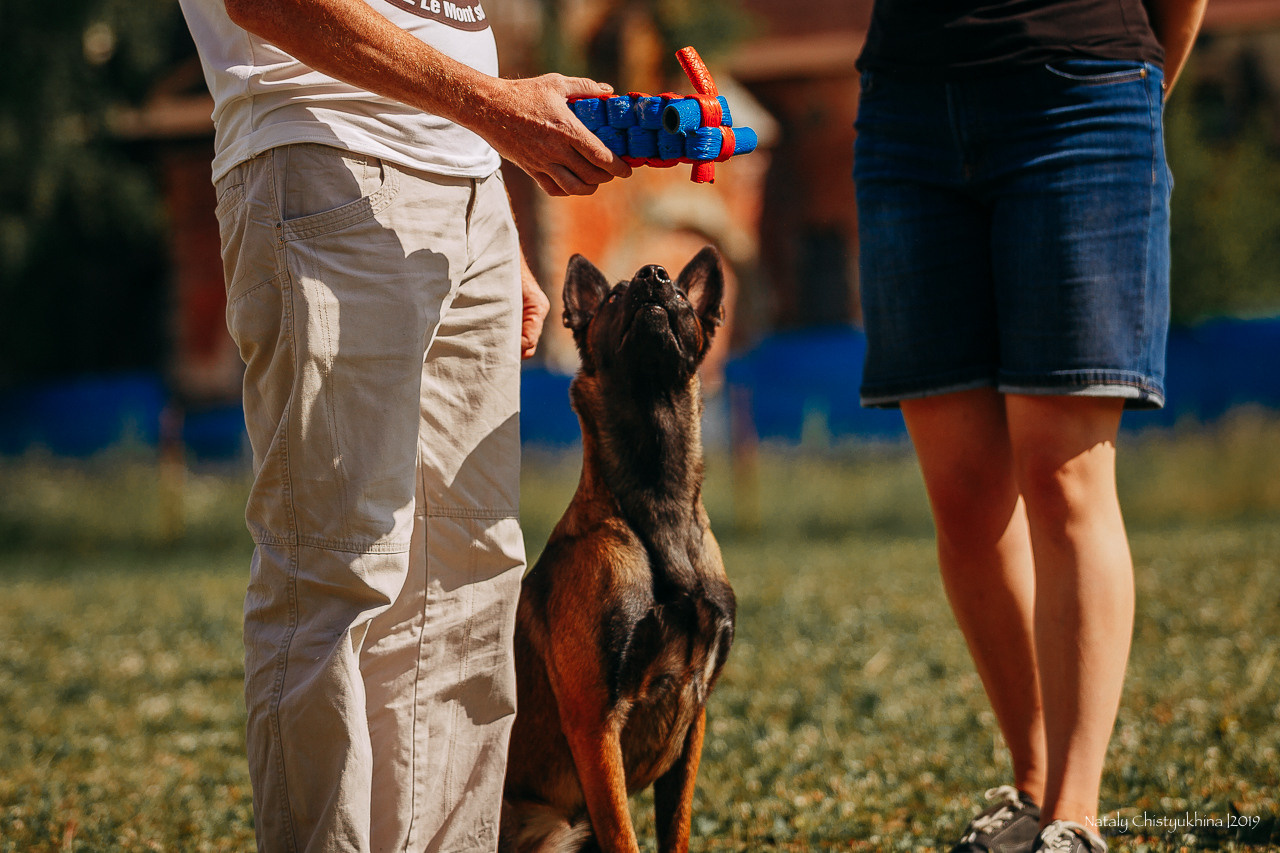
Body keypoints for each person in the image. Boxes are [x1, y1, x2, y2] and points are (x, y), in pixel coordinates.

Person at [175, 0, 631, 849]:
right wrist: (496, 110)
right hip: (323, 159)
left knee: (469, 586)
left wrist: (493, 211)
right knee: (334, 579)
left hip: (465, 188)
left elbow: (439, 28)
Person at [851, 1, 1206, 851]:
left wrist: (1140, 82)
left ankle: (1075, 818)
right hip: (907, 107)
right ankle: (1036, 782)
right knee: (966, 497)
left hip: (1084, 90)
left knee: (1062, 472)